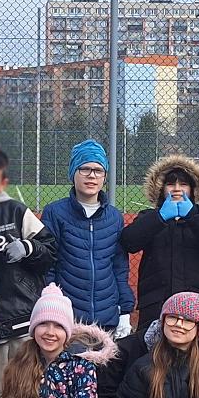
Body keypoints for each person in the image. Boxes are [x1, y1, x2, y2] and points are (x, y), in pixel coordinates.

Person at [0, 146, 57, 389]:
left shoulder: (16, 211)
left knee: (29, 394)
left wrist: (28, 248)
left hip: (23, 323)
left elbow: (50, 251)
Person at [120, 153, 199, 327]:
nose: (177, 189)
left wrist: (193, 215)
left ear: (192, 189)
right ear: (161, 188)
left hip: (196, 300)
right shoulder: (148, 216)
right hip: (155, 301)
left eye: (183, 184)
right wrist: (160, 217)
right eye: (171, 184)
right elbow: (129, 241)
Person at [42, 139, 134, 334]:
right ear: (73, 173)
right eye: (85, 169)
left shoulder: (114, 217)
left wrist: (125, 310)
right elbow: (48, 263)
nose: (92, 175)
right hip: (68, 318)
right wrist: (52, 299)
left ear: (104, 176)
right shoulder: (55, 213)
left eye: (98, 170)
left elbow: (119, 267)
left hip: (107, 318)